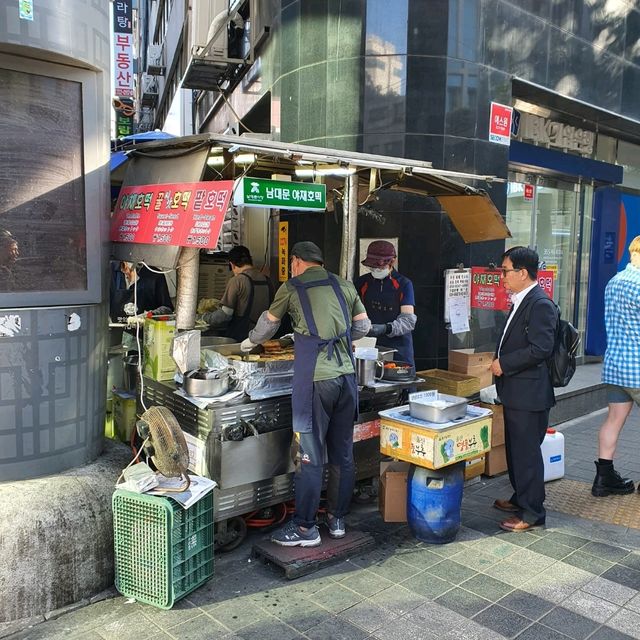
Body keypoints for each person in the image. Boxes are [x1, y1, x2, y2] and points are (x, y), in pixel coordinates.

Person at [241, 241, 371, 546]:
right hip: (347, 379)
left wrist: (249, 342)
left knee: (309, 455)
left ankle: (304, 529)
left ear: (297, 262)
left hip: (316, 381)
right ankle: (337, 520)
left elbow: (266, 327)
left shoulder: (292, 286)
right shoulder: (345, 285)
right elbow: (364, 326)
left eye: (292, 264)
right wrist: (338, 338)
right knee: (342, 453)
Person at [490, 246, 558, 532]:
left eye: (505, 271)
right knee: (517, 451)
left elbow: (541, 348)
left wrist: (504, 364)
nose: (502, 277)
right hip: (517, 391)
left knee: (527, 454)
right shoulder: (522, 299)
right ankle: (521, 497)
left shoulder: (539, 303)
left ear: (522, 272)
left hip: (529, 393)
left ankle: (532, 513)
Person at [591, 236, 640, 497]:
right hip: (638, 369)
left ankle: (604, 479)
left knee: (613, 420)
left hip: (615, 366)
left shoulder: (614, 282)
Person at [354, 240, 417, 366]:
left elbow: (408, 321)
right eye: (373, 267)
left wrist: (386, 328)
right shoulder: (362, 283)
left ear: (392, 261)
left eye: (380, 267)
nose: (376, 270)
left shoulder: (404, 284)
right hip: (368, 345)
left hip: (399, 348)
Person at [200, 245, 273, 342]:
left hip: (243, 338)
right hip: (265, 337)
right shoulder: (268, 281)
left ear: (232, 264)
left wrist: (204, 317)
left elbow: (224, 315)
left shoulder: (237, 281)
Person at [109, 260, 173, 323]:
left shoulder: (155, 275)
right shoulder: (108, 271)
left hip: (146, 331)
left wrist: (148, 316)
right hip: (113, 331)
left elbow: (168, 310)